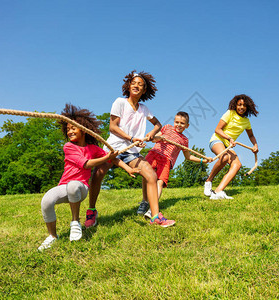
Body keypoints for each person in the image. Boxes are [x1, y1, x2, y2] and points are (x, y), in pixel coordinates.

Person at [38, 104, 139, 251]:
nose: (70, 132)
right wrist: (106, 159)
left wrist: (128, 168)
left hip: (81, 187)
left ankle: (75, 222)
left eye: (73, 128)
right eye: (68, 130)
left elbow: (114, 159)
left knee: (74, 185)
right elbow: (86, 164)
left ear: (83, 129)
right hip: (64, 186)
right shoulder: (68, 147)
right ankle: (52, 236)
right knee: (46, 201)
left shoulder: (93, 149)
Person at [104, 70, 175, 227]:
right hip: (114, 147)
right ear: (129, 86)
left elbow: (158, 124)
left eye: (140, 84)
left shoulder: (144, 109)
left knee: (150, 175)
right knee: (98, 175)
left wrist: (151, 133)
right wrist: (131, 138)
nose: (136, 85)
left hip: (132, 152)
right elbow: (112, 127)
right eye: (134, 83)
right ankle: (91, 210)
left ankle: (155, 216)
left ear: (144, 90)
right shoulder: (119, 102)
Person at [143, 111, 211, 218]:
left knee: (160, 183)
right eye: (177, 122)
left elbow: (188, 157)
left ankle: (152, 210)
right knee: (146, 176)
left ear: (187, 126)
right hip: (155, 154)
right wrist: (157, 137)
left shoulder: (184, 140)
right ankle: (145, 201)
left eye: (182, 123)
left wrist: (203, 160)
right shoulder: (167, 128)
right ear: (174, 122)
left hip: (166, 160)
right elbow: (154, 139)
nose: (179, 125)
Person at [204, 94, 259, 200]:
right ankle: (208, 181)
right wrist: (229, 138)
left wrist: (255, 145)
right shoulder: (230, 113)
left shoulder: (246, 121)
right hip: (217, 140)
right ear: (235, 105)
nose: (241, 107)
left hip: (228, 145)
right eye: (239, 105)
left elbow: (251, 135)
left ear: (248, 107)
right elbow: (218, 129)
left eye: (244, 105)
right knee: (224, 157)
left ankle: (217, 192)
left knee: (237, 165)